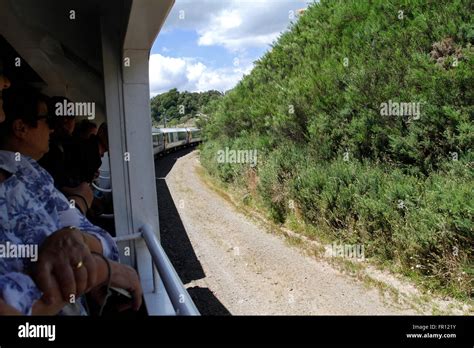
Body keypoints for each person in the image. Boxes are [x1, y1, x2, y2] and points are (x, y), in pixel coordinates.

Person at [0, 89, 142, 315]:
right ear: (20, 128)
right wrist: (95, 270)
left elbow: (104, 242)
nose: (53, 127)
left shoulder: (29, 171)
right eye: (47, 120)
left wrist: (75, 238)